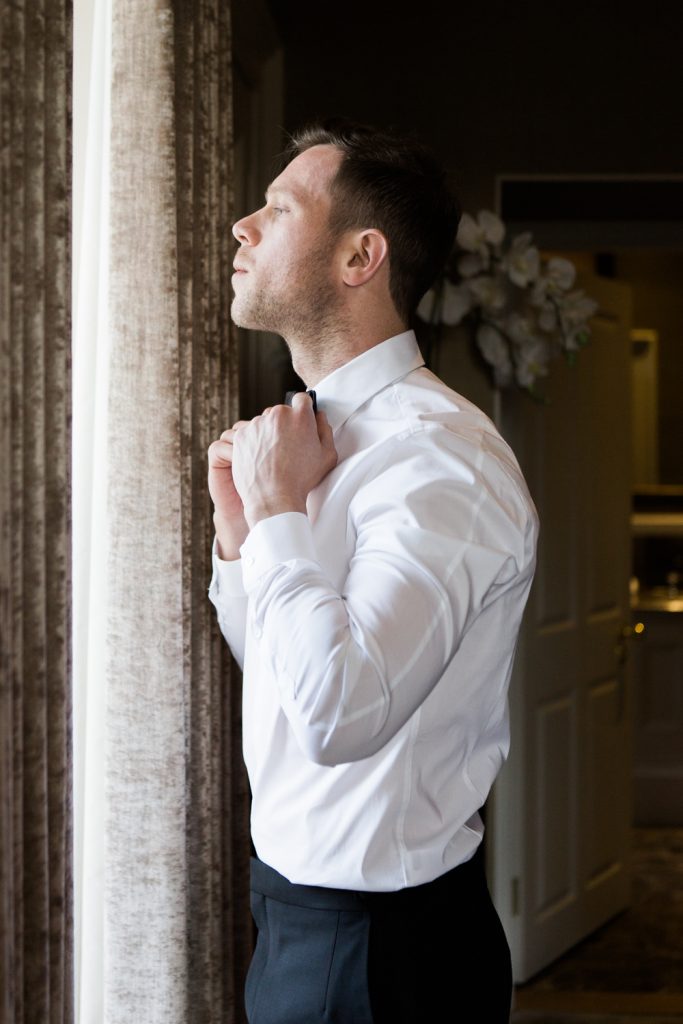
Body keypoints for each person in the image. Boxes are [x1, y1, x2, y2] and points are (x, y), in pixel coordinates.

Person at [207, 118, 538, 1024]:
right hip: (296, 917)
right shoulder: (307, 437)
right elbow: (284, 673)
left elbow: (340, 713)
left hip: (381, 960)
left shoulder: (441, 465)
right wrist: (244, 542)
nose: (241, 225)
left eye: (277, 208)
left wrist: (278, 519)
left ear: (361, 257)